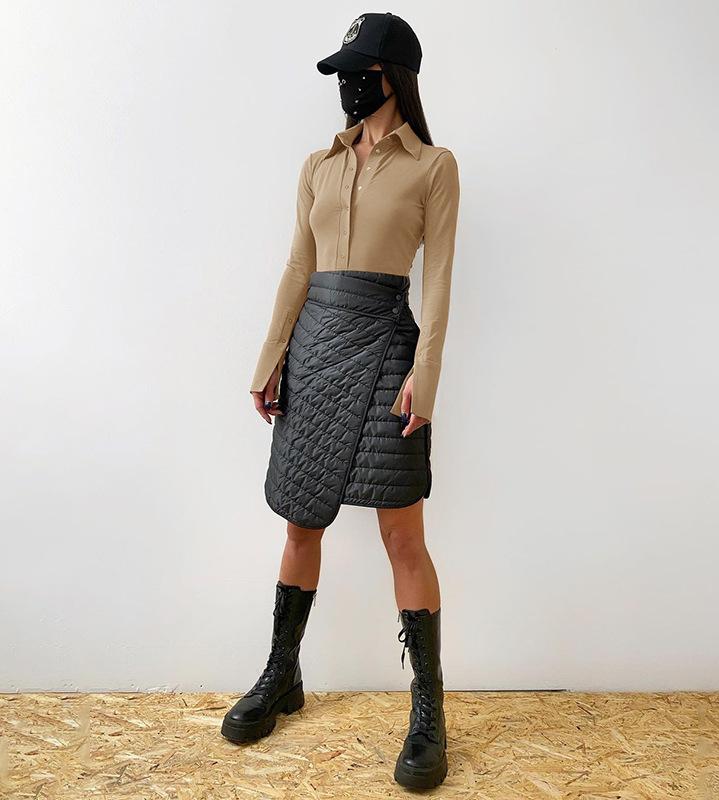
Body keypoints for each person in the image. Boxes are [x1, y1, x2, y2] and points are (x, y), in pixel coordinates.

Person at [221, 12, 460, 790]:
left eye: (359, 72)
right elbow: (298, 267)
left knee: (402, 536)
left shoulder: (433, 167)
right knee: (300, 522)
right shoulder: (318, 166)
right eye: (344, 74)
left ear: (392, 78)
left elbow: (439, 277)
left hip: (387, 345)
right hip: (315, 350)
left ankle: (429, 712)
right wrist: (269, 360)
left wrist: (426, 373)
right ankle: (281, 674)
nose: (348, 85)